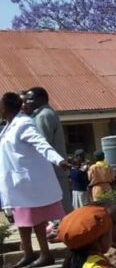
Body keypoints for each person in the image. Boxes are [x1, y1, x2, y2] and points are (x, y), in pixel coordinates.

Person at [0, 92, 68, 268]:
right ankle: (28, 254)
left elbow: (41, 143)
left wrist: (58, 159)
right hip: (16, 185)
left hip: (29, 184)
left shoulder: (24, 124)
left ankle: (45, 254)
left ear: (5, 107)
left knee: (37, 221)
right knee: (22, 222)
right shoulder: (7, 126)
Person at [23, 87, 72, 215]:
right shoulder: (41, 114)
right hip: (52, 169)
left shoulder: (43, 115)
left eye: (30, 99)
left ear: (41, 99)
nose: (27, 102)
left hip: (51, 170)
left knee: (60, 206)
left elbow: (41, 143)